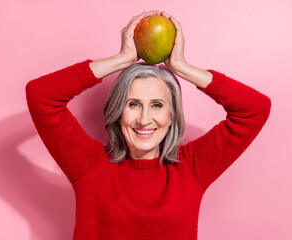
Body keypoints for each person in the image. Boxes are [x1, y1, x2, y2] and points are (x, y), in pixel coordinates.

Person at [26, 10, 271, 240]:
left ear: (172, 115)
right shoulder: (89, 165)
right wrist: (121, 60)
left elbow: (254, 110)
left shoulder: (192, 168)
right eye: (133, 104)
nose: (144, 119)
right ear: (118, 112)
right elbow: (41, 97)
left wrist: (182, 68)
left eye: (156, 105)